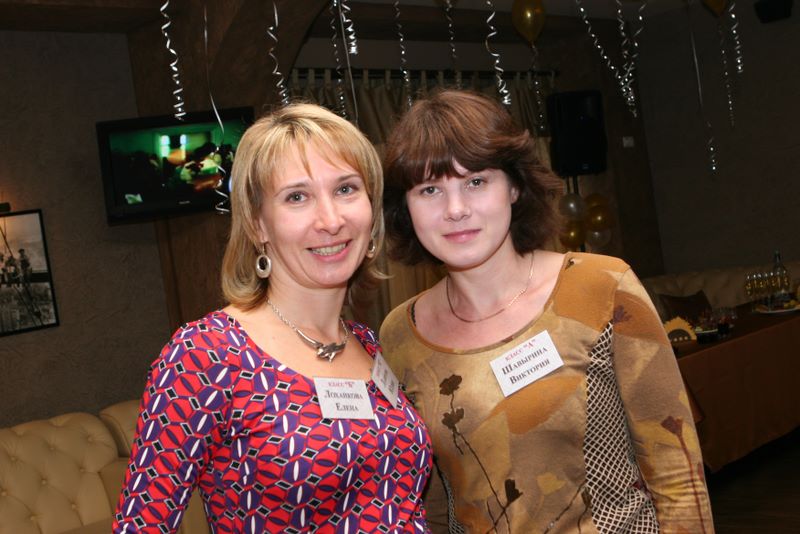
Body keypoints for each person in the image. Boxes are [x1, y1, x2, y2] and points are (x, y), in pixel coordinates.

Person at [380, 90, 713, 533]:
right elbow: (429, 502)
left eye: (476, 182)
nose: (455, 209)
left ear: (514, 187)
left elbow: (678, 476)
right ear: (406, 208)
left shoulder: (601, 287)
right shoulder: (401, 333)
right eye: (430, 190)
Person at [113, 103, 432, 533]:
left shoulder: (369, 346)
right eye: (297, 197)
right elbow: (141, 525)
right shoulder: (206, 355)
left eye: (346, 189)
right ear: (257, 223)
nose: (330, 220)